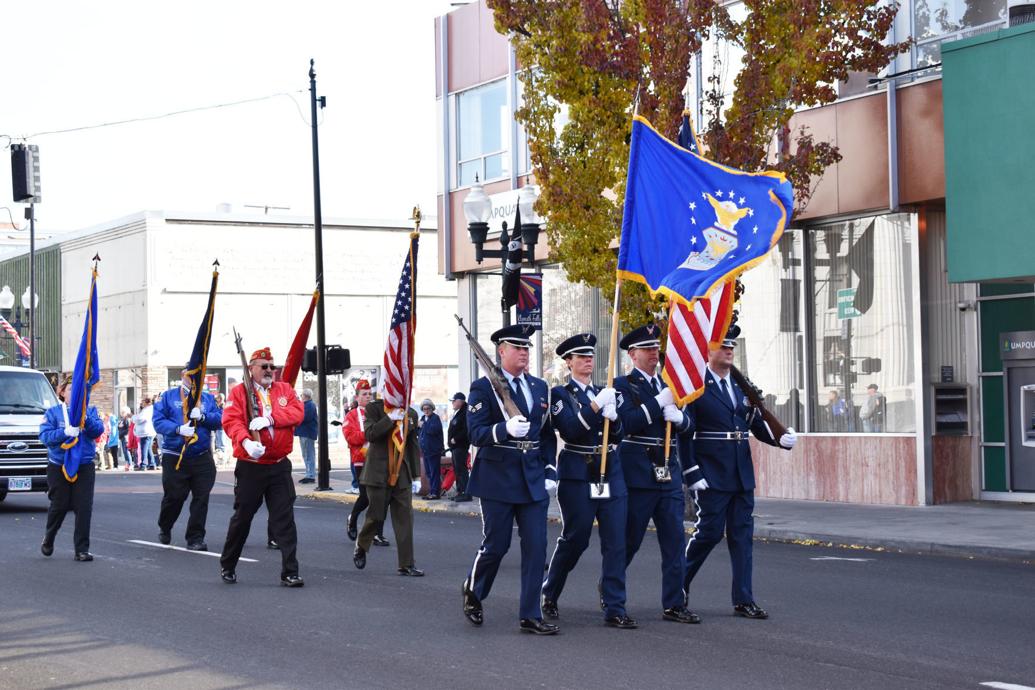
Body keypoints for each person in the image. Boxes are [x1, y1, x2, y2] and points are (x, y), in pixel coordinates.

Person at [682, 324, 797, 620]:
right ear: (708, 350)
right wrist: (692, 472)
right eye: (723, 345)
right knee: (708, 533)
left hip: (741, 472)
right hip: (711, 471)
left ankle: (744, 599)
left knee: (742, 538)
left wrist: (779, 439)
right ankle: (677, 586)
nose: (729, 350)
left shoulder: (740, 385)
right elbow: (686, 434)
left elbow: (755, 423)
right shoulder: (696, 386)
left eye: (732, 346)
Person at [462, 324, 559, 635]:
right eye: (517, 347)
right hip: (497, 477)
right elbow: (475, 433)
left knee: (537, 546)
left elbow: (546, 434)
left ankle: (530, 614)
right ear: (501, 351)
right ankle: (474, 590)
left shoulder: (539, 387)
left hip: (532, 477)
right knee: (496, 545)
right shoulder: (483, 388)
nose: (524, 352)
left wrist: (549, 469)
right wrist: (503, 430)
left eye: (526, 347)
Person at [542, 333, 636, 629]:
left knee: (616, 541)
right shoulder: (561, 394)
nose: (588, 360)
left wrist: (614, 417)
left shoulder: (603, 391)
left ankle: (615, 606)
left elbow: (619, 434)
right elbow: (570, 430)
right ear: (568, 362)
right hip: (578, 473)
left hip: (610, 469)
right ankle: (550, 591)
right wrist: (596, 407)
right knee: (576, 538)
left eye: (590, 356)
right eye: (581, 356)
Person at [613, 324, 699, 624]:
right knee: (630, 540)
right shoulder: (622, 385)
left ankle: (674, 603)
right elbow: (627, 423)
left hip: (668, 472)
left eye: (655, 348)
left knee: (675, 541)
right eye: (647, 349)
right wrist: (658, 403)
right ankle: (612, 590)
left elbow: (690, 427)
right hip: (638, 472)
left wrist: (681, 419)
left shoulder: (671, 384)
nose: (654, 353)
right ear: (632, 354)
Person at [219, 347, 306, 587]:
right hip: (251, 467)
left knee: (285, 519)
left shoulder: (284, 389)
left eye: (272, 366)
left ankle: (290, 571)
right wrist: (246, 442)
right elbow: (231, 421)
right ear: (252, 368)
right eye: (264, 366)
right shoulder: (239, 392)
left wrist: (270, 419)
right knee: (243, 518)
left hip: (279, 465)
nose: (270, 370)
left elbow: (297, 413)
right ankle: (228, 564)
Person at [352, 392, 424, 577]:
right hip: (377, 473)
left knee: (405, 520)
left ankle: (406, 564)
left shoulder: (410, 413)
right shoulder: (374, 408)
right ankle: (361, 545)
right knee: (376, 516)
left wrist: (416, 475)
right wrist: (390, 419)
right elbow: (371, 434)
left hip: (401, 473)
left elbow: (412, 445)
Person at [151, 369, 223, 551]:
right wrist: (177, 429)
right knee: (175, 497)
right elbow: (158, 421)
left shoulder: (207, 398)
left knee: (201, 498)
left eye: (199, 374)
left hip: (201, 456)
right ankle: (165, 525)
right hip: (176, 456)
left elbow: (221, 419)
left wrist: (204, 417)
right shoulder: (168, 396)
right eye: (191, 374)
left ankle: (195, 538)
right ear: (183, 375)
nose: (195, 378)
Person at [38, 375, 105, 561]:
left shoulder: (90, 410)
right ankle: (49, 538)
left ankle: (81, 549)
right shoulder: (53, 413)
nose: (75, 393)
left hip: (84, 465)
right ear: (62, 393)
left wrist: (85, 419)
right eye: (70, 389)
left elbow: (98, 431)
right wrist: (64, 432)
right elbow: (45, 437)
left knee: (84, 507)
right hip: (59, 465)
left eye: (78, 390)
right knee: (59, 505)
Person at [342, 380, 388, 546]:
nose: (368, 397)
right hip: (361, 460)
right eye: (364, 394)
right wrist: (370, 434)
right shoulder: (352, 415)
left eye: (369, 394)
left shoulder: (377, 413)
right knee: (366, 497)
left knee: (381, 497)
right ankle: (353, 518)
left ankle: (377, 533)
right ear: (357, 397)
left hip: (379, 459)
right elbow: (350, 437)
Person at [417, 398, 444, 500]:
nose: (426, 411)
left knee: (434, 472)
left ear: (432, 409)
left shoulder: (435, 418)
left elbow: (433, 430)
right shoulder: (423, 418)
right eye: (424, 409)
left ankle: (435, 493)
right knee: (428, 473)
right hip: (425, 450)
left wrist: (423, 425)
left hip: (433, 450)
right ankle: (432, 491)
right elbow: (420, 432)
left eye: (428, 408)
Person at [447, 392, 471, 502]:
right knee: (457, 470)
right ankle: (460, 492)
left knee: (461, 470)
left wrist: (455, 438)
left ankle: (466, 493)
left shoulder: (465, 412)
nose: (452, 403)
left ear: (460, 401)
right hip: (455, 447)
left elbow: (466, 430)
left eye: (454, 401)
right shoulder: (458, 412)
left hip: (460, 446)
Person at [295, 389, 318, 484]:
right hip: (305, 432)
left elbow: (304, 418)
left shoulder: (309, 405)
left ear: (305, 396)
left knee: (308, 454)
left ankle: (310, 475)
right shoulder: (307, 405)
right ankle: (309, 474)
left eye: (302, 395)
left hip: (307, 433)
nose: (301, 397)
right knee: (306, 454)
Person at [133, 397, 157, 470]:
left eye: (143, 402)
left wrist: (133, 418)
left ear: (146, 403)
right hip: (148, 431)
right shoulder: (148, 409)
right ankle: (152, 464)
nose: (141, 403)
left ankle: (143, 465)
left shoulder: (147, 410)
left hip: (146, 432)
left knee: (144, 449)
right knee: (148, 448)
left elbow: (140, 419)